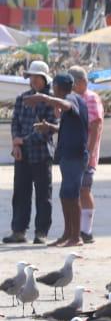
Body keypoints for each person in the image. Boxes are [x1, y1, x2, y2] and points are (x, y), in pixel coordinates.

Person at [34, 73, 90, 247]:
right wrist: (50, 127)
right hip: (68, 156)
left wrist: (44, 98)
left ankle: (76, 237)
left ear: (58, 87)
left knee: (72, 196)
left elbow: (66, 105)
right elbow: (66, 126)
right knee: (65, 195)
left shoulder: (71, 98)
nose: (52, 90)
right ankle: (67, 234)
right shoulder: (73, 101)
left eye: (53, 88)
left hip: (75, 156)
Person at [8, 60, 56, 244]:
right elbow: (15, 123)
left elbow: (48, 129)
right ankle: (19, 231)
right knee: (20, 192)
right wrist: (16, 144)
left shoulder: (50, 100)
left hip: (42, 154)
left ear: (44, 79)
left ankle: (41, 232)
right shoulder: (23, 97)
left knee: (43, 195)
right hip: (22, 154)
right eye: (31, 77)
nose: (33, 80)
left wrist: (24, 140)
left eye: (37, 77)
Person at [69, 66, 103, 244]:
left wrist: (89, 152)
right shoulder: (74, 97)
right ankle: (78, 229)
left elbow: (96, 125)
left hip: (86, 153)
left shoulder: (91, 98)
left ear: (82, 82)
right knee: (75, 191)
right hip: (74, 151)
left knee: (84, 190)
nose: (71, 86)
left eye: (73, 83)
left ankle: (87, 231)